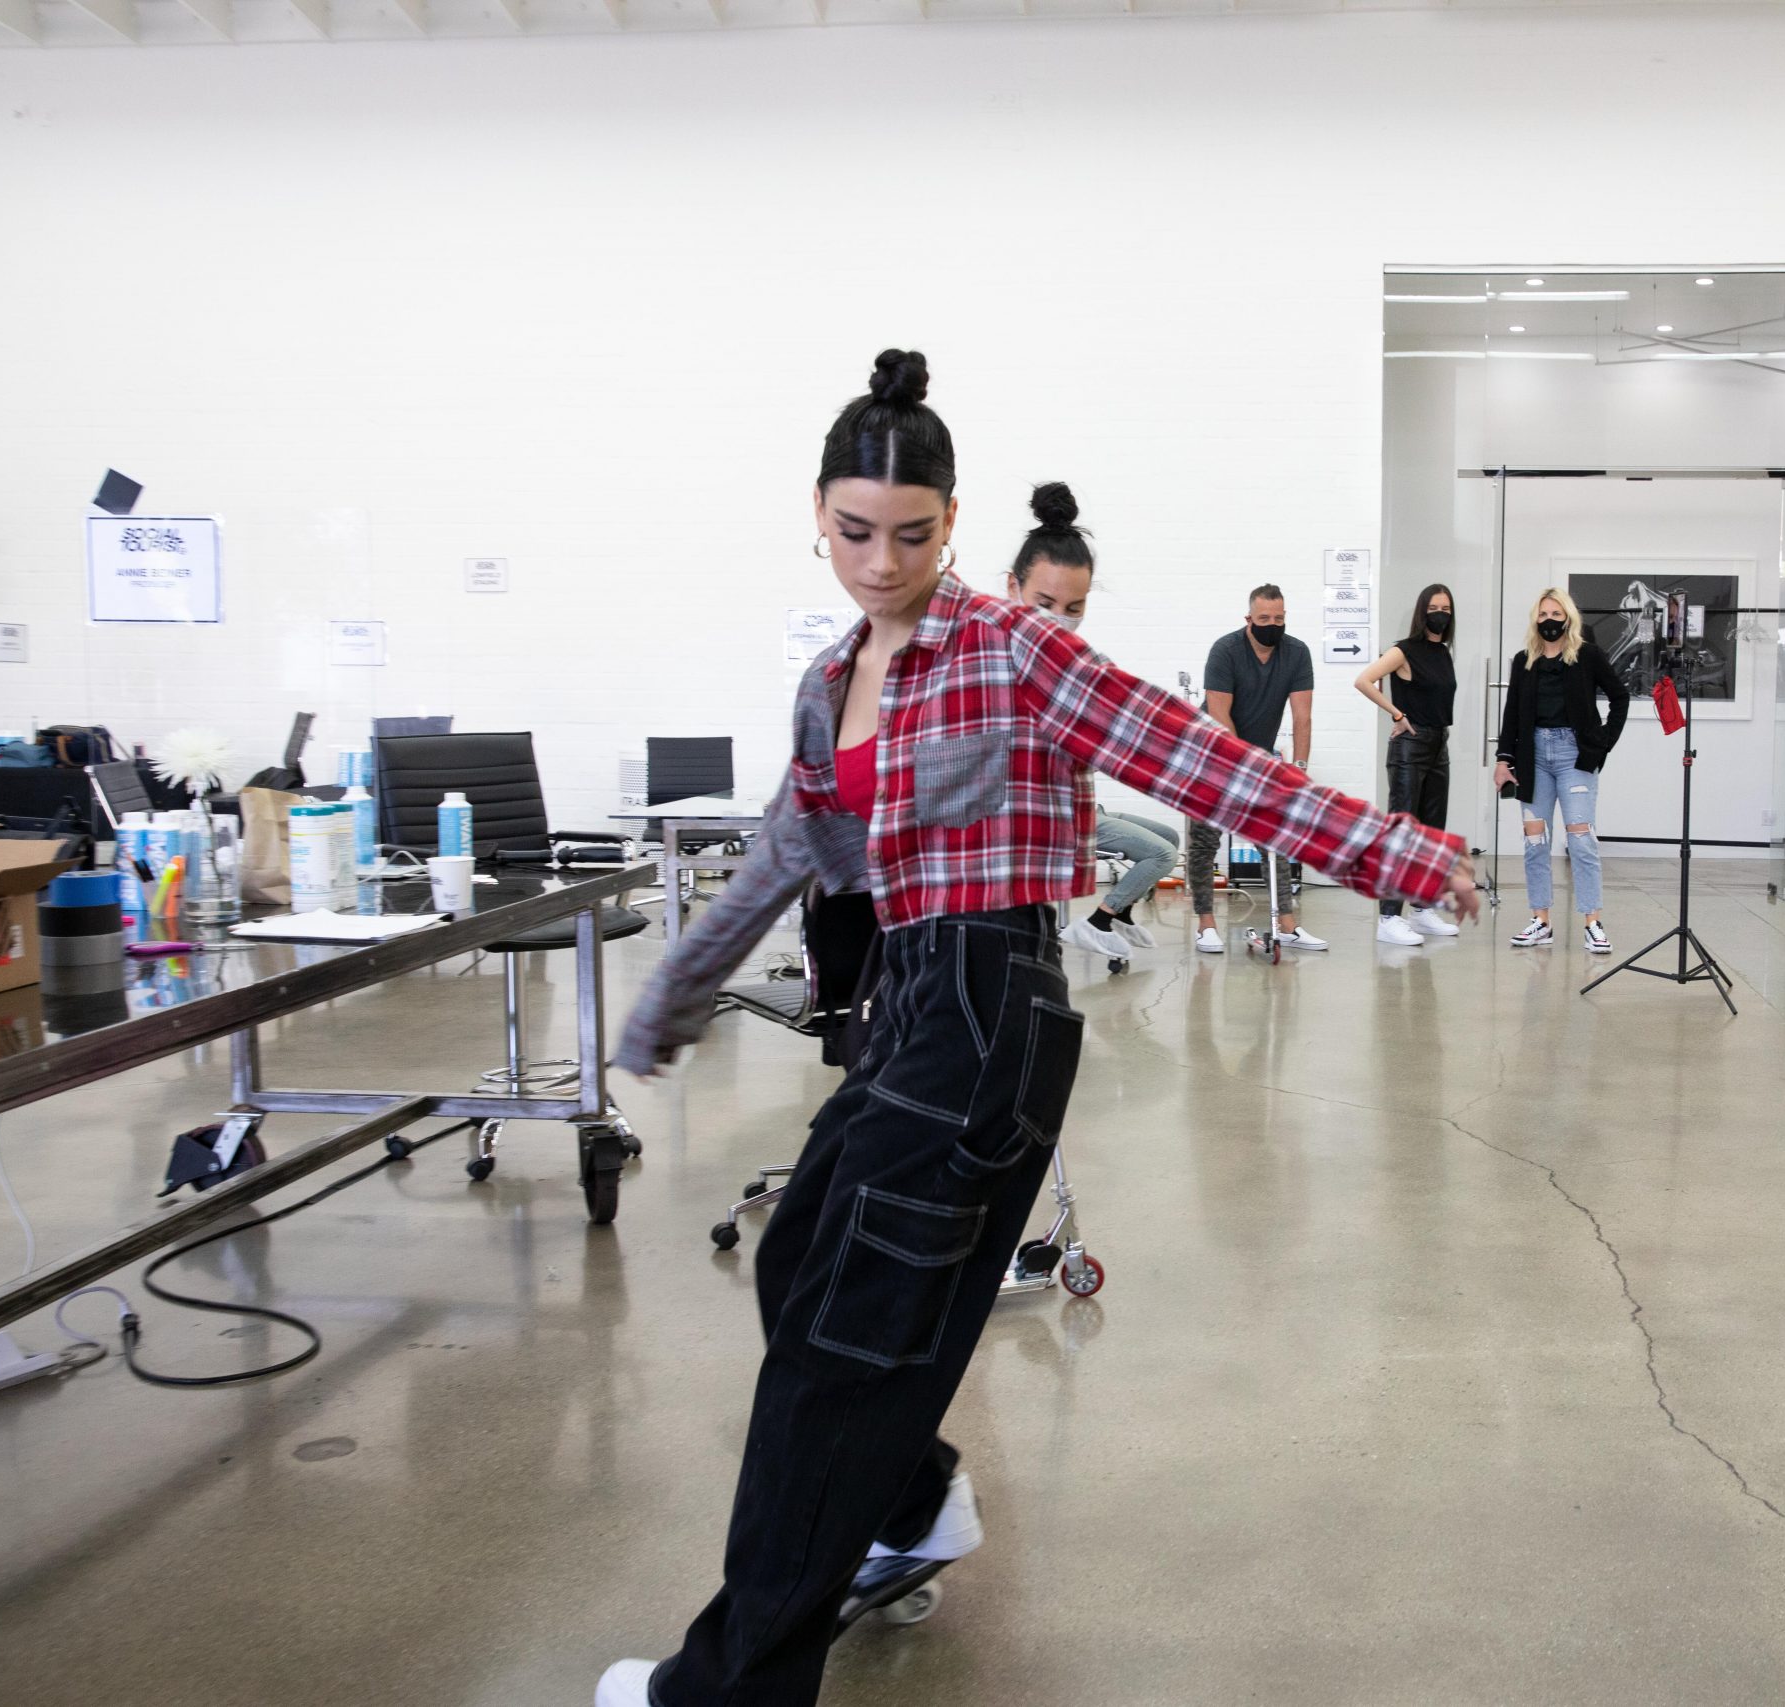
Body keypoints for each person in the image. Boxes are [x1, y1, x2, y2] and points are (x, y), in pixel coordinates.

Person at [597, 350, 1476, 1707]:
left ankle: (724, 1689)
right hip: (905, 1003)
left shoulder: (1016, 647)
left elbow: (1200, 758)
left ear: (953, 523)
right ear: (817, 514)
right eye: (853, 532)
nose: (880, 563)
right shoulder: (829, 680)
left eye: (912, 534)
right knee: (799, 1267)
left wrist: (1395, 852)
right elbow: (789, 845)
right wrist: (674, 987)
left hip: (988, 1005)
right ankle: (910, 1508)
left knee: (833, 1352)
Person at [999, 480, 1180, 961]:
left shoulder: (1087, 669)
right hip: (1016, 850)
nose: (1058, 619)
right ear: (1013, 588)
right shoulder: (983, 664)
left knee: (1168, 840)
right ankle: (1099, 920)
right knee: (1162, 854)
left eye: (1074, 608)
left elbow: (1158, 733)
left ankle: (1117, 914)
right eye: (1043, 605)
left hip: (1075, 817)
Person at [1187, 584, 1322, 953]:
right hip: (1210, 752)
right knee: (1205, 839)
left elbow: (1303, 718)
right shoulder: (1226, 651)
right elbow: (1219, 715)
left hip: (1256, 756)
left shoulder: (1296, 653)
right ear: (1248, 619)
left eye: (1279, 618)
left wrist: (1299, 770)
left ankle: (1287, 925)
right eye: (1264, 618)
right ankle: (1205, 925)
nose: (1272, 624)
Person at [1493, 587, 1630, 953]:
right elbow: (1511, 713)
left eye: (1556, 614)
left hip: (1574, 755)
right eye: (1543, 614)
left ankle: (1593, 922)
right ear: (1534, 620)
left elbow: (1620, 697)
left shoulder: (1588, 656)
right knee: (1535, 841)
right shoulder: (1523, 661)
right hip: (1532, 757)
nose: (1549, 620)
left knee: (1581, 839)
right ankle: (1541, 921)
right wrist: (1503, 760)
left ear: (1568, 618)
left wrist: (1602, 742)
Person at [1356, 582, 1463, 947]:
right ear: (1422, 612)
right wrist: (1397, 714)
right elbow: (1364, 680)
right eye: (1434, 609)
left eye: (1446, 609)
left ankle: (1421, 909)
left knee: (1432, 833)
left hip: (1439, 745)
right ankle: (1388, 918)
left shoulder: (1443, 652)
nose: (1440, 615)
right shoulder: (1404, 650)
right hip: (1410, 748)